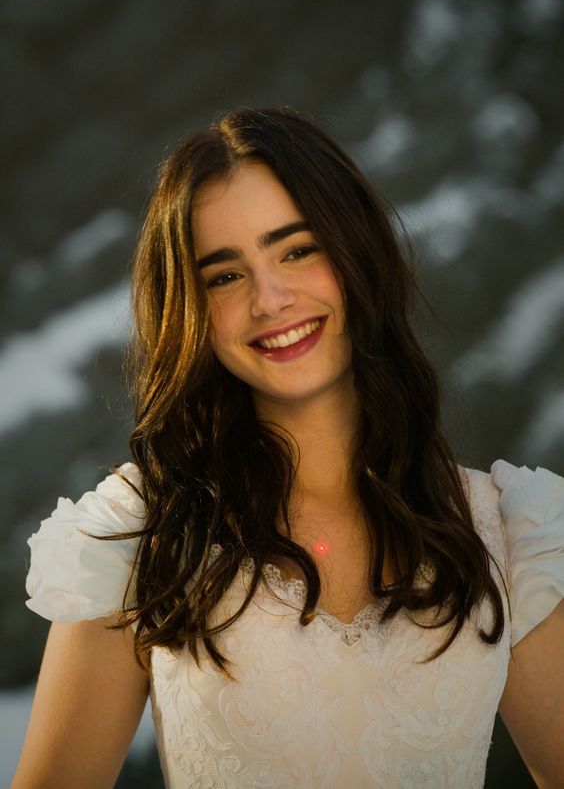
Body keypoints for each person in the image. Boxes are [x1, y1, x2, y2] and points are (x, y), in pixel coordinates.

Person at [12, 106, 564, 789]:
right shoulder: (142, 531)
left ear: (354, 252)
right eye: (224, 275)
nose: (270, 299)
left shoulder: (507, 531)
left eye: (297, 249)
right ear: (193, 309)